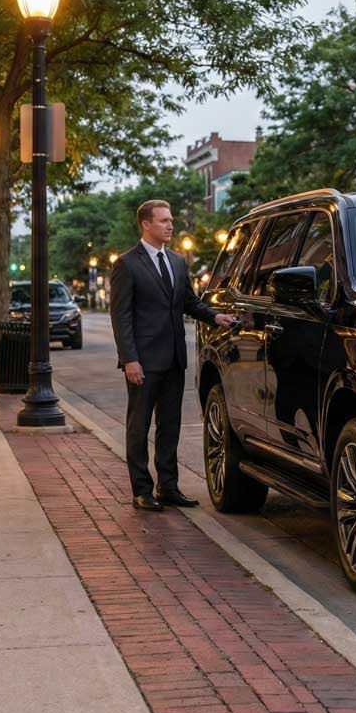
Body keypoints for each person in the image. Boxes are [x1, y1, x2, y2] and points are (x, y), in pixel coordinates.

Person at [110, 200, 237, 511]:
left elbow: (189, 302)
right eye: (164, 220)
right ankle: (142, 490)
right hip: (143, 361)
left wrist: (215, 316)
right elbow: (121, 316)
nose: (171, 225)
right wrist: (129, 359)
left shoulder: (178, 262)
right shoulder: (127, 264)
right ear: (146, 224)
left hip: (174, 359)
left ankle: (168, 487)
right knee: (139, 426)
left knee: (170, 426)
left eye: (171, 220)